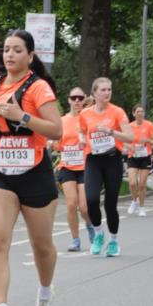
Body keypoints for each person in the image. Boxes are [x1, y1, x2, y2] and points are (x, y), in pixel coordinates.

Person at [0, 29, 62, 306]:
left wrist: (22, 116)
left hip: (34, 172)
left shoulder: (38, 89)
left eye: (16, 50)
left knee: (42, 246)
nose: (9, 55)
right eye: (6, 50)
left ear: (30, 56)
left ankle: (45, 295)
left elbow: (56, 131)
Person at [78, 77, 135, 257]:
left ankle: (113, 240)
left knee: (111, 204)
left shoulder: (117, 112)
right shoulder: (85, 114)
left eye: (109, 89)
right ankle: (98, 233)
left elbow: (130, 136)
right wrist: (81, 139)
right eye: (103, 90)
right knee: (91, 200)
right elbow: (81, 131)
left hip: (112, 159)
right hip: (93, 160)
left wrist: (111, 131)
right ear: (94, 93)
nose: (107, 93)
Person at [53, 86, 93, 252]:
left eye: (80, 98)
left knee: (84, 207)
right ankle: (75, 239)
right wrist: (54, 144)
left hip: (85, 166)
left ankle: (91, 227)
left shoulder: (90, 119)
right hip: (67, 166)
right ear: (69, 100)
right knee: (71, 205)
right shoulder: (62, 121)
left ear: (84, 100)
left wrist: (87, 144)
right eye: (73, 98)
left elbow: (97, 141)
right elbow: (58, 144)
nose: (77, 101)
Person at [126, 104, 153, 216]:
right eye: (138, 111)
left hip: (145, 157)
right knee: (133, 182)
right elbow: (123, 140)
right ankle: (134, 201)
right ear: (134, 113)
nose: (140, 113)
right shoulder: (129, 126)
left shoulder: (149, 125)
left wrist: (147, 140)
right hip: (133, 156)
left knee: (142, 184)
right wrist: (128, 146)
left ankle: (142, 207)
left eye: (142, 111)